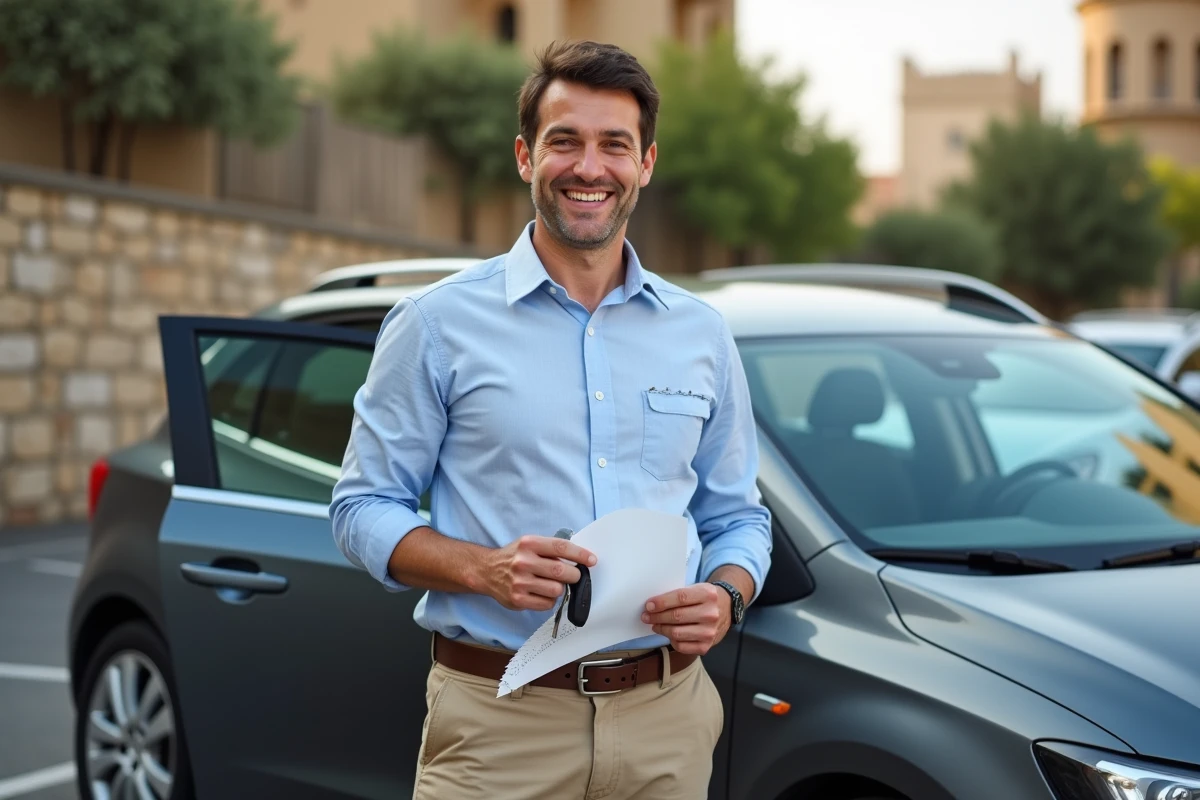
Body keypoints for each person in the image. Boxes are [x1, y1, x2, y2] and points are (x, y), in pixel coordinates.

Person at [330, 39, 772, 800]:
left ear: (647, 164)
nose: (590, 168)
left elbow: (738, 516)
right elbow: (360, 508)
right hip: (500, 724)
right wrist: (483, 569)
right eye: (564, 141)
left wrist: (727, 596)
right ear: (527, 158)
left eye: (615, 146)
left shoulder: (701, 333)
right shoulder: (435, 324)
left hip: (668, 721)